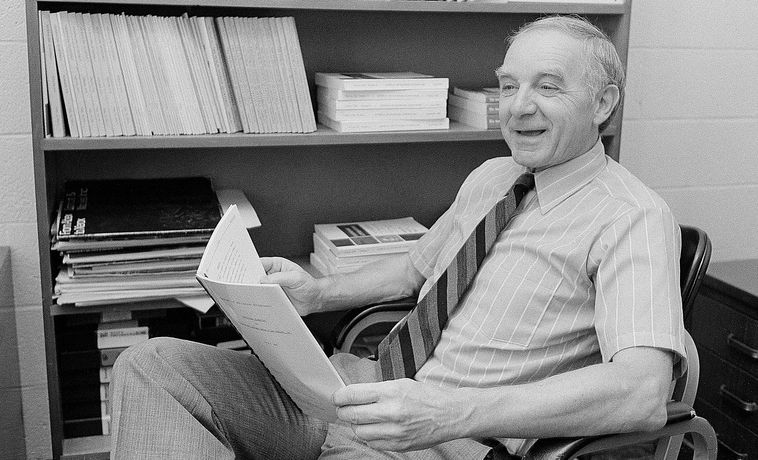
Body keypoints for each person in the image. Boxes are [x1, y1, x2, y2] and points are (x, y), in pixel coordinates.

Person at [110, 15, 686, 460]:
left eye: (548, 87)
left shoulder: (631, 218)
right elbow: (415, 268)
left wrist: (450, 414)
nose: (519, 107)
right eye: (508, 87)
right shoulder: (494, 176)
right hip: (359, 390)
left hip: (449, 439)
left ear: (604, 102)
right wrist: (316, 293)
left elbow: (641, 392)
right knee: (152, 366)